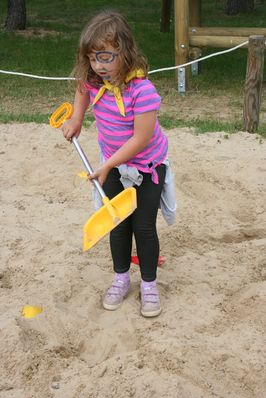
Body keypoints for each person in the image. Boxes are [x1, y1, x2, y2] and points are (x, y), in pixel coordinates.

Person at [62, 10, 175, 317]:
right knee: (117, 222)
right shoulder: (94, 78)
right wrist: (76, 118)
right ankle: (121, 277)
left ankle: (148, 283)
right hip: (110, 163)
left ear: (124, 51)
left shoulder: (143, 91)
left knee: (143, 225)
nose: (98, 66)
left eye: (105, 57)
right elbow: (81, 89)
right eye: (92, 58)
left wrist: (108, 165)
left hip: (146, 167)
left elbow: (140, 139)